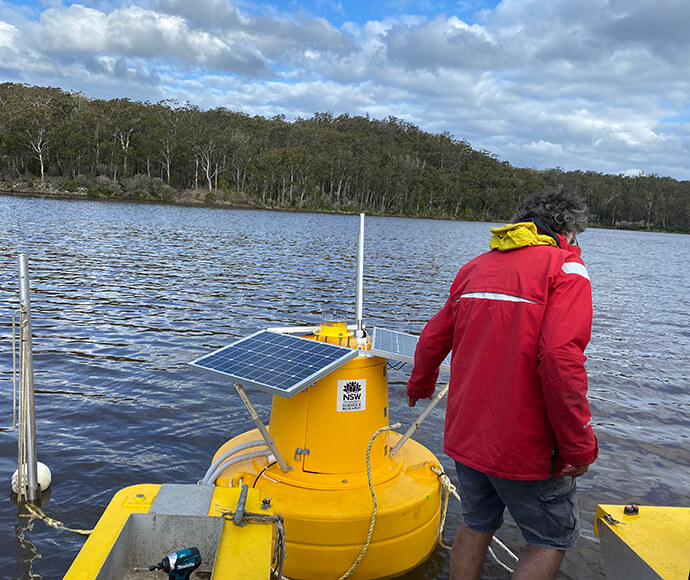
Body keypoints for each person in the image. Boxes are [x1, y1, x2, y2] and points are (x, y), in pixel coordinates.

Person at [407, 186, 598, 580]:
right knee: (549, 538)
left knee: (476, 523)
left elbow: (432, 338)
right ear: (569, 229)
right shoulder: (565, 269)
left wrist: (420, 385)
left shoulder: (475, 267)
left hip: (467, 437)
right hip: (526, 446)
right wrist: (578, 444)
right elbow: (561, 360)